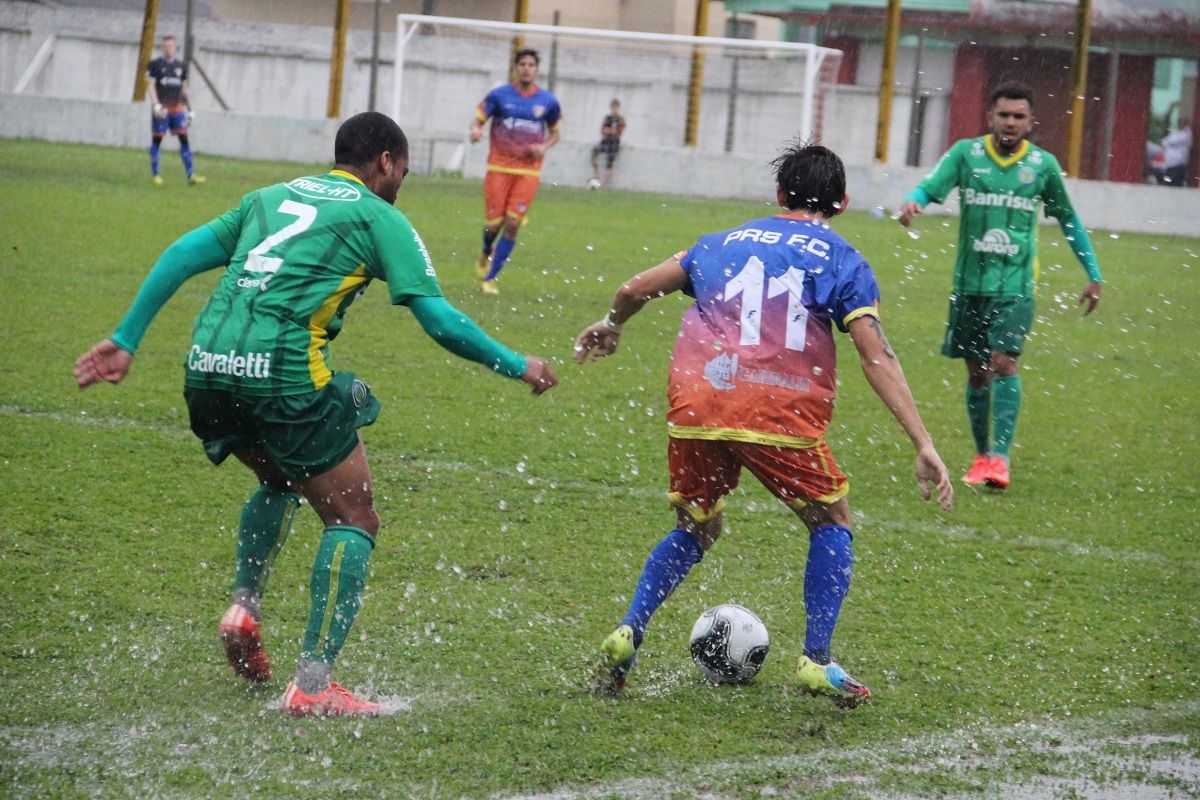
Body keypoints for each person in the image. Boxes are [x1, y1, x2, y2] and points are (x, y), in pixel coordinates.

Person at [74, 112, 558, 717]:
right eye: (401, 173)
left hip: (207, 364)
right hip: (281, 373)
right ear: (385, 161)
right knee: (354, 513)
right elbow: (438, 319)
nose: (400, 185)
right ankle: (313, 683)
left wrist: (126, 337)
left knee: (280, 475)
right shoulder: (382, 217)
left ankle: (244, 605)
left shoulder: (268, 197)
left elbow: (180, 253)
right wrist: (518, 364)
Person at [576, 141, 954, 706]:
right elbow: (876, 356)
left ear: (778, 196)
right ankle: (817, 661)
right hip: (780, 410)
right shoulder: (843, 258)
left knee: (696, 527)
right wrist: (923, 442)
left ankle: (629, 631)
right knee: (832, 519)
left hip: (698, 405)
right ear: (843, 202)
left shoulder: (719, 242)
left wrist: (612, 324)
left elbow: (633, 289)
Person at [897, 81, 1102, 490]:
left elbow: (1068, 220)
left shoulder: (1042, 166)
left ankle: (1001, 460)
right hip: (970, 285)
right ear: (990, 117)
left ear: (1031, 122)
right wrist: (913, 200)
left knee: (1004, 363)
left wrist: (1093, 272)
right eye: (1003, 115)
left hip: (1016, 288)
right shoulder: (966, 155)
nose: (1010, 123)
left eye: (1018, 116)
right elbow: (931, 185)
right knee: (977, 374)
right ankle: (981, 455)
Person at [469, 48, 562, 295]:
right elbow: (478, 119)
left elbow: (555, 133)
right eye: (522, 64)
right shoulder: (499, 95)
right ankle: (485, 250)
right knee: (493, 225)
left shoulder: (548, 101)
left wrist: (543, 146)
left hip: (528, 171)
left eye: (531, 64)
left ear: (537, 70)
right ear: (516, 68)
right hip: (499, 167)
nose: (526, 68)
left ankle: (490, 277)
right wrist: (476, 130)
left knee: (512, 224)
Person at [146, 35, 203, 186]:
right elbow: (150, 86)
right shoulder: (155, 64)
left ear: (176, 47)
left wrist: (191, 110)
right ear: (162, 47)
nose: (168, 48)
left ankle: (191, 175)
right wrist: (155, 104)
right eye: (165, 46)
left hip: (177, 109)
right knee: (157, 140)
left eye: (171, 46)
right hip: (162, 108)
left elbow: (185, 88)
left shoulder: (181, 66)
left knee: (184, 140)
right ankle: (156, 174)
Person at [589, 99, 626, 188]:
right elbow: (602, 130)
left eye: (616, 108)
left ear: (618, 108)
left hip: (614, 143)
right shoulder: (607, 118)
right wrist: (611, 131)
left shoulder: (621, 119)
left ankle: (605, 184)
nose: (614, 110)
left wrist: (609, 131)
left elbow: (619, 132)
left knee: (609, 163)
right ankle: (596, 174)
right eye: (613, 108)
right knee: (594, 152)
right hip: (605, 141)